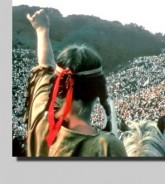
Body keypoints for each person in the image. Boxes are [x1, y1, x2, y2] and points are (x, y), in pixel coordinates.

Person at [24, 9, 127, 157]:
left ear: (58, 83)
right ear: (98, 89)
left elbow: (45, 66)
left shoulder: (40, 117)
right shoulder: (107, 147)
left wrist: (42, 30)